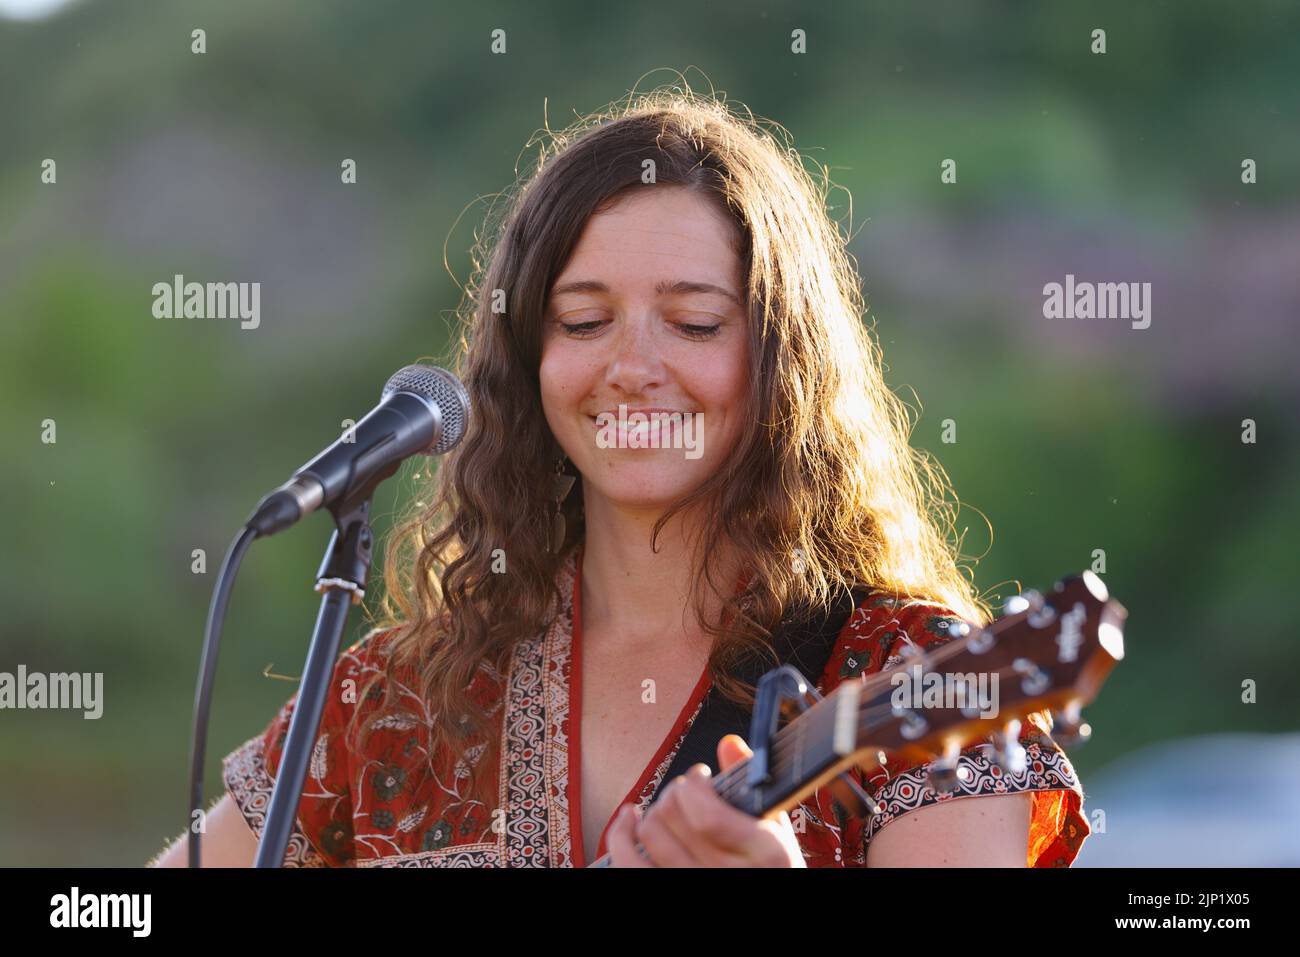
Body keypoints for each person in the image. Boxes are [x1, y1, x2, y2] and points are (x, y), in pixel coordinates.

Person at [151, 86, 1088, 868]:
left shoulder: (914, 673)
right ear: (527, 361)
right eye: (585, 321)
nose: (632, 366)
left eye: (693, 322)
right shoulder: (394, 698)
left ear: (781, 362)